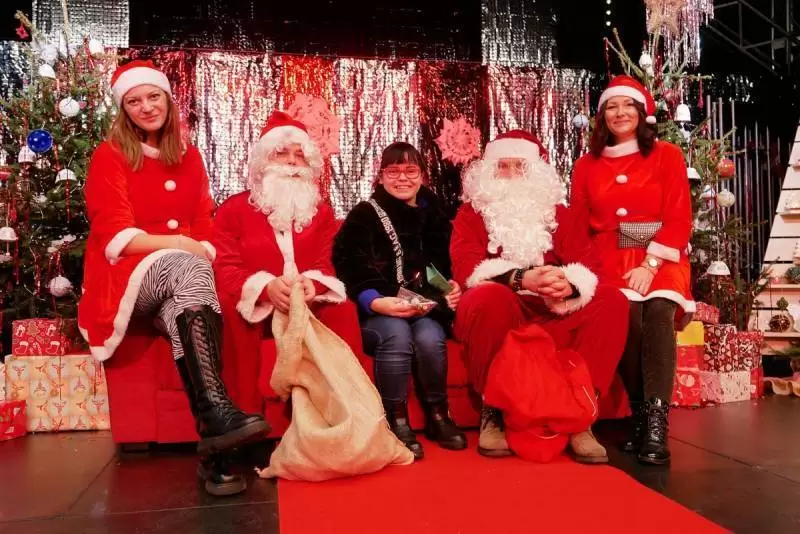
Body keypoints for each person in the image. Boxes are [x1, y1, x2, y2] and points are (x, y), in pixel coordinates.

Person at [78, 60, 269, 496]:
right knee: (190, 266)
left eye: (153, 96)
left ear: (167, 99)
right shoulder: (109, 155)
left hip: (180, 277)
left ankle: (216, 447)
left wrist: (195, 246)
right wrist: (182, 244)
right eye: (134, 101)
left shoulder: (189, 155)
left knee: (190, 298)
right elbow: (115, 236)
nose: (146, 107)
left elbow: (204, 221)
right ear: (124, 109)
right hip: (124, 277)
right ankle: (219, 418)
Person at [451, 130, 629, 463]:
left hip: (553, 310)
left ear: (535, 171)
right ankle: (494, 411)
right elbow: (466, 267)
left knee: (612, 300)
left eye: (520, 166)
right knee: (487, 297)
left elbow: (590, 266)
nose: (511, 174)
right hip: (505, 309)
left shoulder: (560, 214)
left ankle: (581, 415)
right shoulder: (471, 214)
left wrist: (569, 285)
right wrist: (520, 278)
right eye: (502, 166)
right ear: (488, 172)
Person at [570, 75, 694, 465]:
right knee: (624, 316)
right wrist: (583, 271)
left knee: (657, 311)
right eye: (611, 106)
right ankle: (639, 415)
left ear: (642, 113)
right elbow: (579, 224)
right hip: (608, 255)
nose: (620, 113)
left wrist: (650, 263)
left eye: (628, 105)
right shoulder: (585, 165)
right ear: (602, 116)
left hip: (661, 254)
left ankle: (657, 423)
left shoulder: (667, 155)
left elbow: (679, 216)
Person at [211, 110, 361, 419]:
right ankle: (244, 415)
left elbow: (326, 262)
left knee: (343, 310)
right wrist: (265, 287)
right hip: (257, 307)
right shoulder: (233, 210)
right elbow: (225, 266)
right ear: (263, 161)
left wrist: (313, 283)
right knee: (231, 306)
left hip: (306, 303)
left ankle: (346, 412)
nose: (292, 162)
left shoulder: (321, 213)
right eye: (282, 154)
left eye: (299, 155)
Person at [332, 142, 467, 460]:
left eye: (410, 171)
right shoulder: (364, 214)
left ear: (422, 175)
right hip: (379, 310)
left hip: (422, 307)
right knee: (396, 333)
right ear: (380, 176)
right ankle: (396, 420)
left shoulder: (434, 215)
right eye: (393, 171)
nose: (402, 178)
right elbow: (348, 266)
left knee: (430, 336)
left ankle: (438, 415)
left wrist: (448, 288)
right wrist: (374, 301)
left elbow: (437, 267)